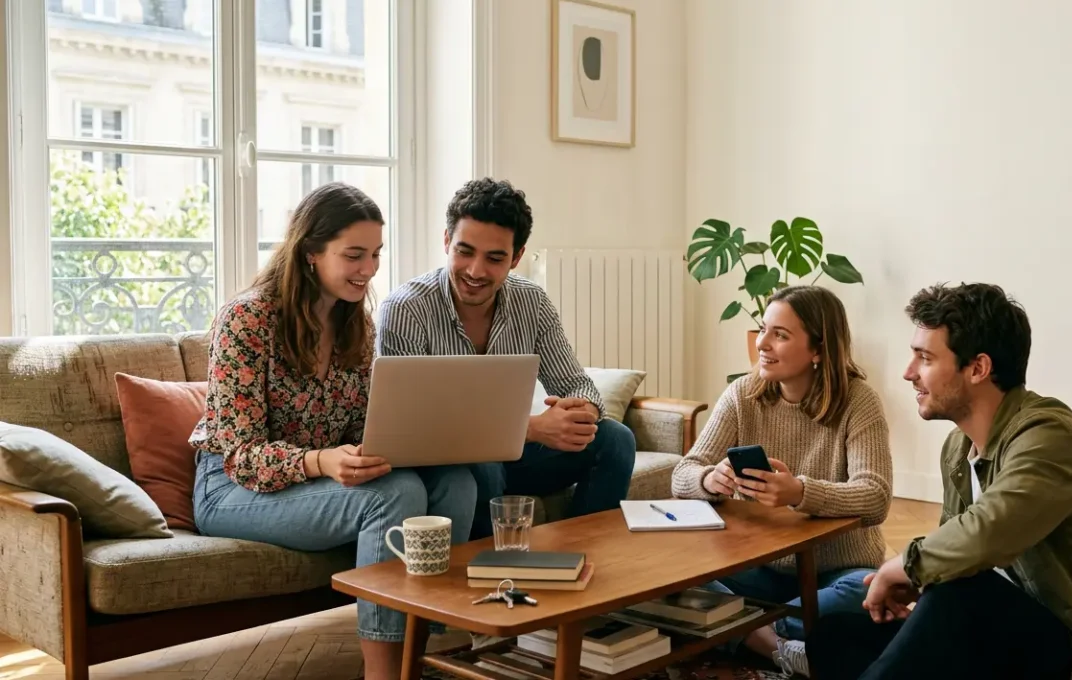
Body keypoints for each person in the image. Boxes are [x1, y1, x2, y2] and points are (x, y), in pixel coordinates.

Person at [189, 183, 478, 680]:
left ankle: (420, 650)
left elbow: (360, 422)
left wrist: (407, 437)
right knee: (392, 495)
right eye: (354, 255)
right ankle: (384, 674)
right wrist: (321, 461)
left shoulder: (356, 326)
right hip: (232, 488)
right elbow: (239, 453)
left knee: (457, 481)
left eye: (376, 254)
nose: (369, 269)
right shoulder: (248, 320)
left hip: (317, 474)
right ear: (310, 253)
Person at [806, 282, 1072, 680]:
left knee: (959, 596)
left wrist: (907, 566)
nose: (908, 372)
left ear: (978, 368)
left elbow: (987, 532)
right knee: (834, 636)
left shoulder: (1048, 436)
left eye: (925, 358)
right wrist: (916, 582)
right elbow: (955, 554)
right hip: (995, 637)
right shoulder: (958, 448)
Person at [376, 177, 636, 538]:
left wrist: (580, 415)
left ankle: (586, 560)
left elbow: (577, 384)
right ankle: (492, 571)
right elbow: (413, 427)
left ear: (516, 257)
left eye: (495, 258)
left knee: (615, 440)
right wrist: (529, 429)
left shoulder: (532, 302)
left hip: (517, 458)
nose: (476, 271)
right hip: (448, 464)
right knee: (482, 460)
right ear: (447, 241)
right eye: (464, 251)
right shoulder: (405, 309)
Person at [670, 285, 893, 678]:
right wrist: (711, 478)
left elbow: (875, 497)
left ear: (819, 350)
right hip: (759, 566)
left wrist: (800, 492)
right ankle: (783, 647)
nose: (762, 344)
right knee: (667, 580)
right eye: (763, 329)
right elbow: (683, 473)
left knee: (866, 593)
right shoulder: (743, 394)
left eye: (781, 335)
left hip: (839, 568)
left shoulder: (859, 401)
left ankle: (744, 631)